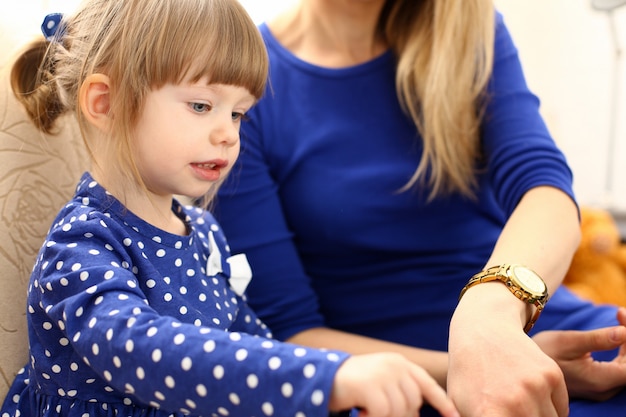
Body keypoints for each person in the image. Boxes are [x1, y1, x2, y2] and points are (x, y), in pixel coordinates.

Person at [0, 1, 462, 417]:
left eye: (238, 113)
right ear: (106, 103)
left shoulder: (202, 232)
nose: (228, 133)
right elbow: (139, 349)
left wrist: (341, 381)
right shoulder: (82, 242)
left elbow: (248, 339)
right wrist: (325, 380)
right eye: (202, 105)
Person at [213, 0, 626, 416]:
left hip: (561, 343)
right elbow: (289, 332)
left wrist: (487, 315)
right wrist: (477, 365)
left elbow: (545, 188)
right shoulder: (242, 81)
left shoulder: (472, 30)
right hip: (412, 388)